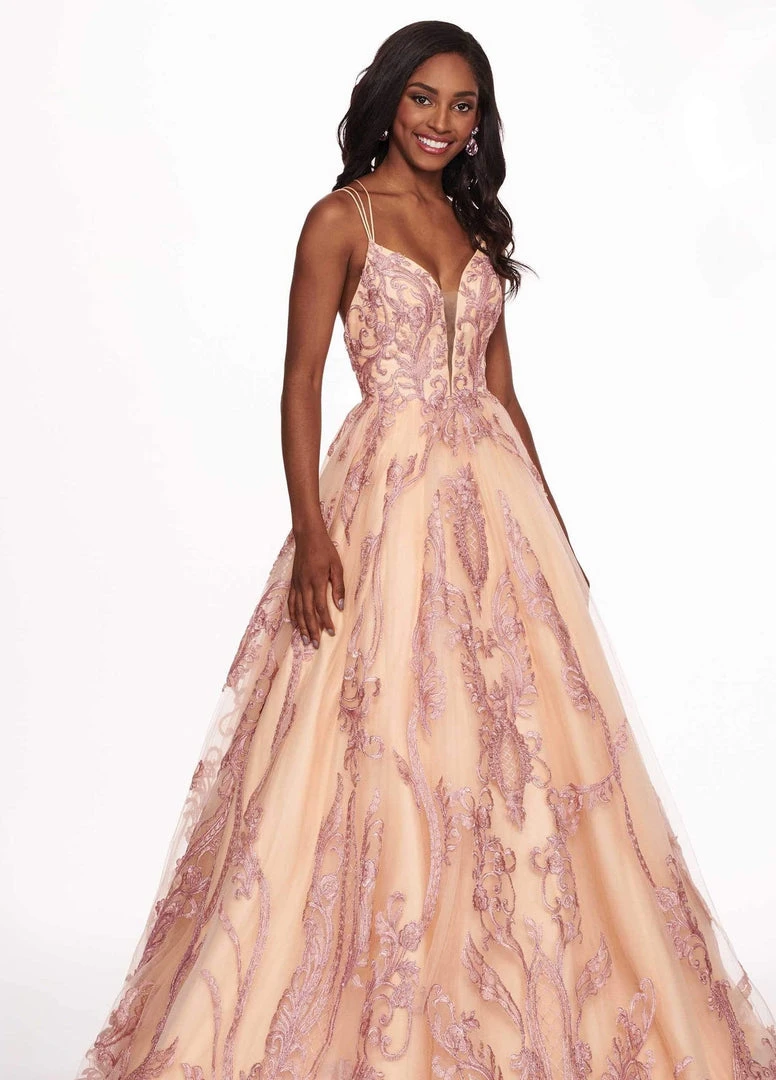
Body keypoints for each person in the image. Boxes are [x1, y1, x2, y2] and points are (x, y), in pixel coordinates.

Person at [73, 20, 776, 1079]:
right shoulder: (341, 220)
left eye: (462, 105)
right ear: (388, 100)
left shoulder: (473, 224)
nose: (441, 122)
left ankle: (505, 986)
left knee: (513, 741)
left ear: (478, 121)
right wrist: (311, 530)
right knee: (379, 723)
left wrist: (555, 533)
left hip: (494, 507)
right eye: (423, 99)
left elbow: (501, 391)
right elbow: (300, 383)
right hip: (385, 503)